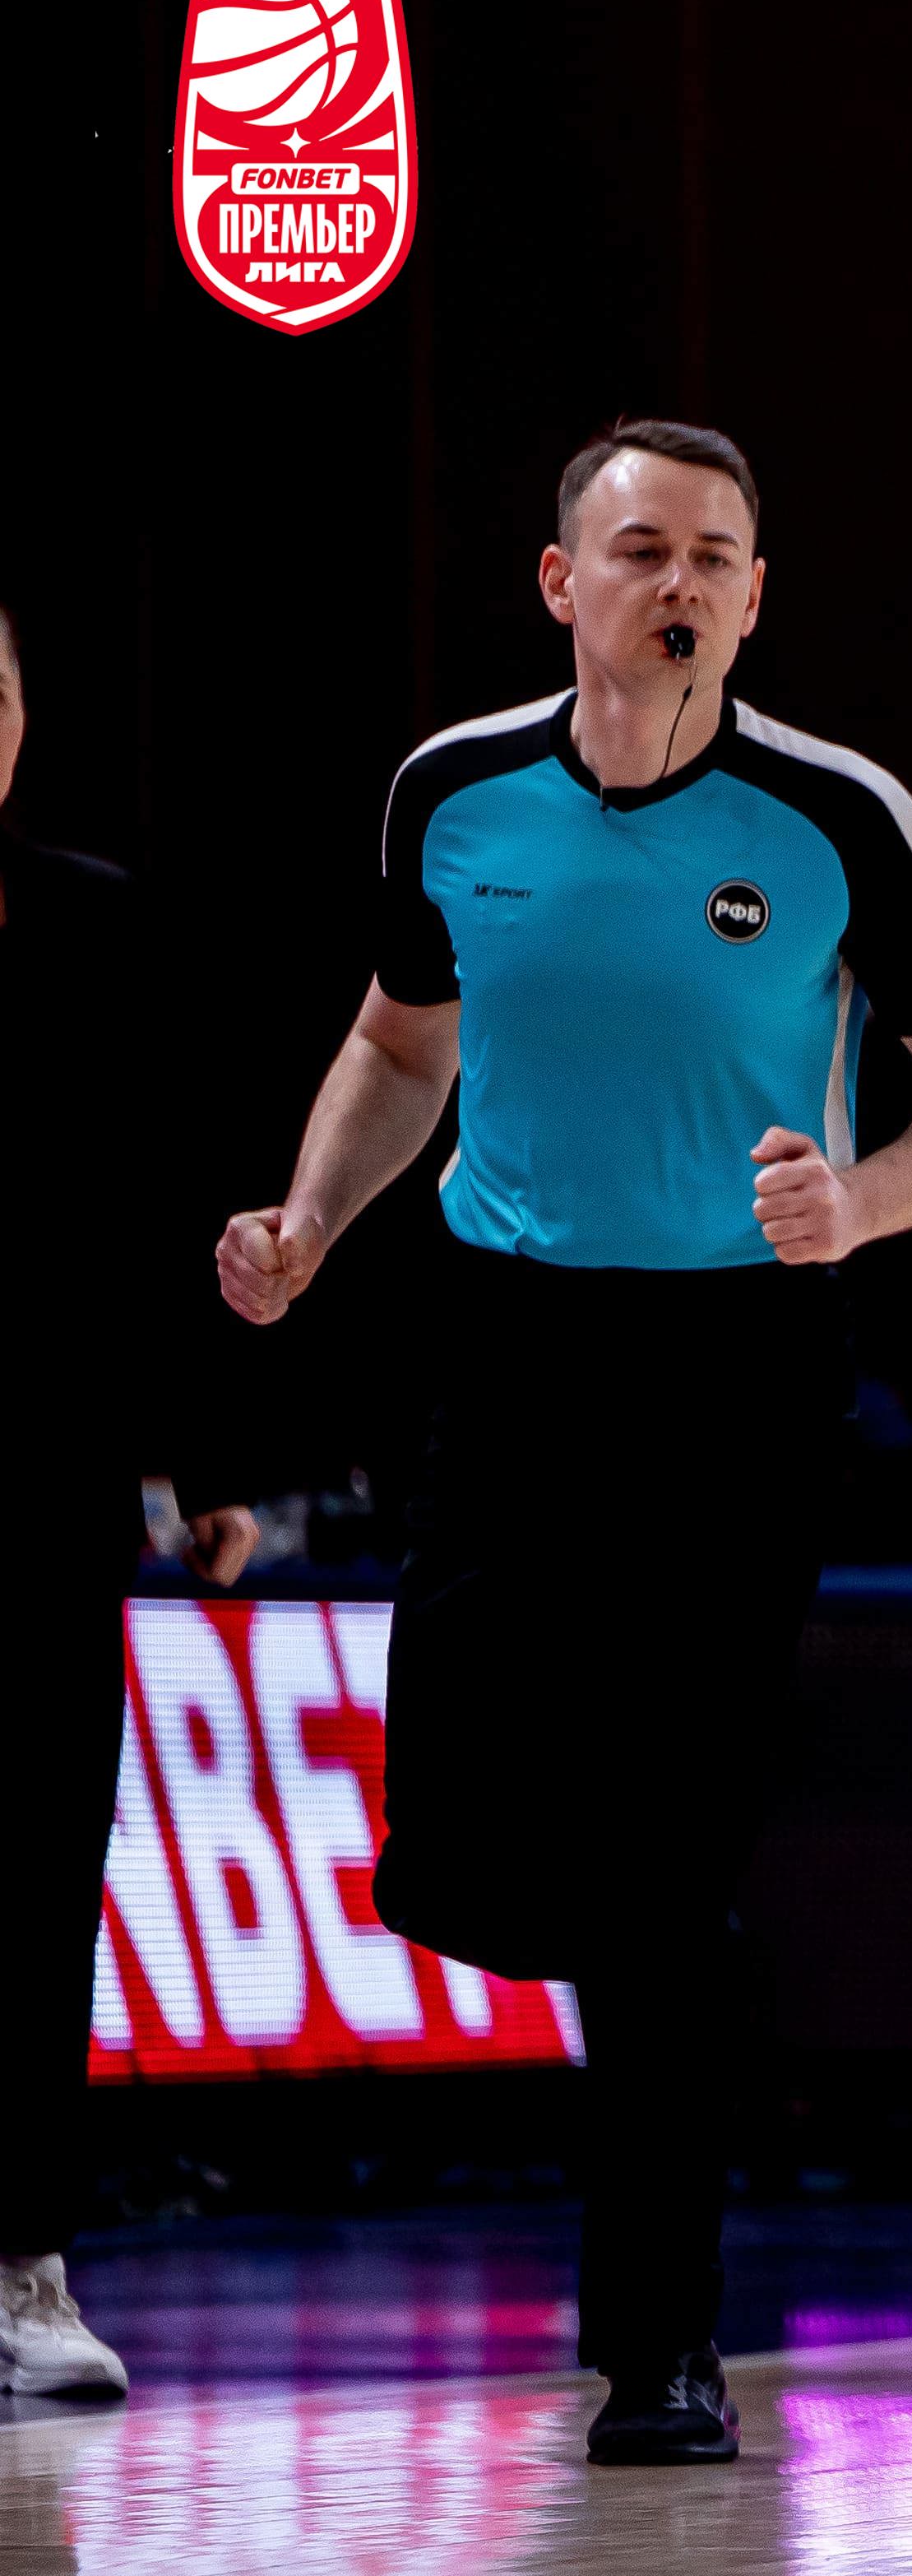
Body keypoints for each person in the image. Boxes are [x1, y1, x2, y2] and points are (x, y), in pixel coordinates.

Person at [211, 423, 912, 2463]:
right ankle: (643, 1931)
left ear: (755, 598)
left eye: (717, 557)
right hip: (513, 1344)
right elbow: (400, 1040)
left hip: (739, 1360)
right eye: (644, 548)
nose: (681, 583)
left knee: (667, 1879)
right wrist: (312, 1218)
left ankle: (661, 2350)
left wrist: (860, 1202)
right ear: (561, 581)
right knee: (467, 1837)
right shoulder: (451, 794)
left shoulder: (838, 814)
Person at [0, 601, 259, 2402]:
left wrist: (200, 1456)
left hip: (40, 1475)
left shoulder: (91, 917)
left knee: (34, 1880)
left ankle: (25, 2263)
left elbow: (154, 1208)